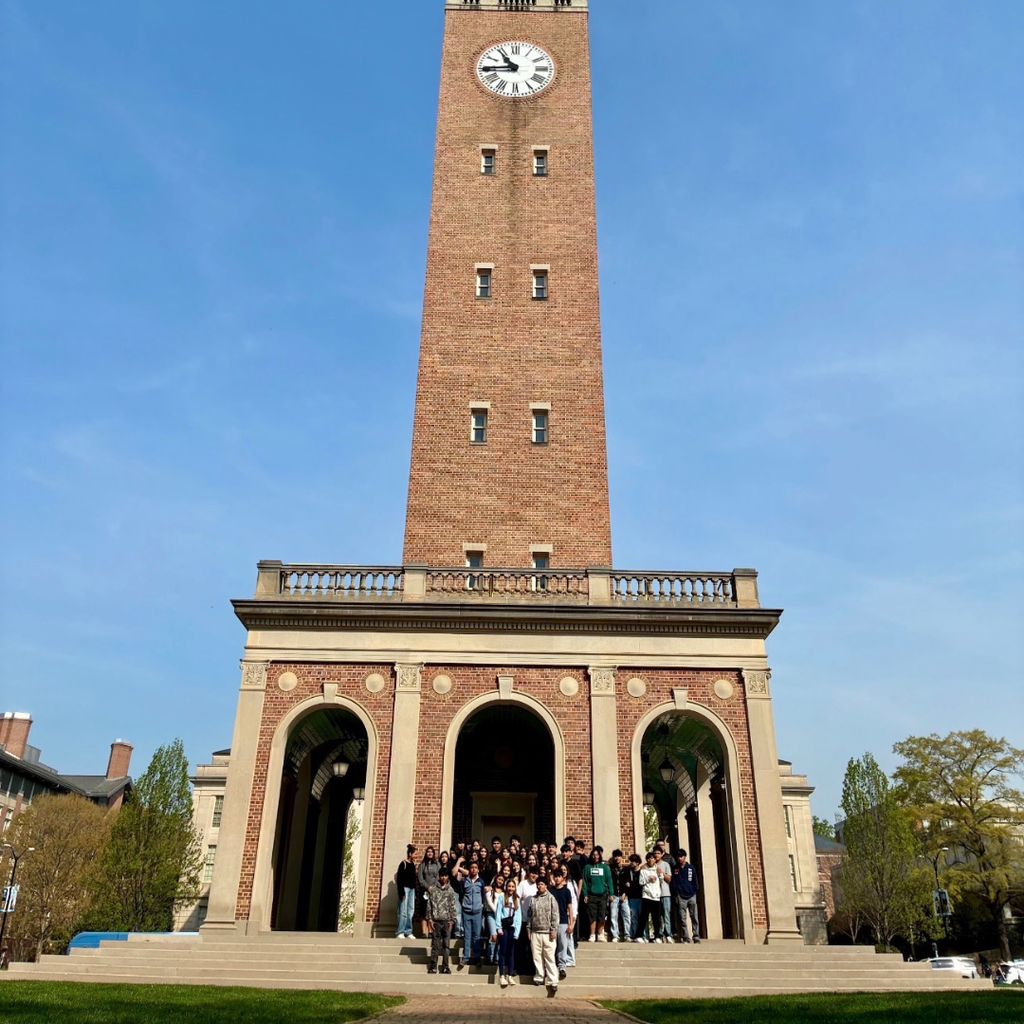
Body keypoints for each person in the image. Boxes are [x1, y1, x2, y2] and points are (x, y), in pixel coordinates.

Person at [527, 877, 560, 993]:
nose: (540, 886)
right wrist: (529, 930)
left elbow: (555, 915)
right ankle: (539, 977)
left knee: (549, 957)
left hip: (548, 932)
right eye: (538, 884)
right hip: (535, 932)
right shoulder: (533, 899)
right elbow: (529, 916)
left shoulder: (551, 898)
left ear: (546, 885)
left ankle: (553, 980)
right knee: (537, 956)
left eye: (542, 884)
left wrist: (553, 930)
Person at [426, 869, 458, 974]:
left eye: (445, 876)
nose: (443, 878)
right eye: (442, 876)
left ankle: (445, 966)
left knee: (446, 945)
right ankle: (433, 966)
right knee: (435, 945)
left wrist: (452, 920)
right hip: (436, 921)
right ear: (439, 876)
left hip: (446, 921)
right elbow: (429, 905)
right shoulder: (434, 890)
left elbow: (453, 906)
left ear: (448, 877)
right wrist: (430, 919)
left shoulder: (450, 890)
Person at [494, 879, 522, 988]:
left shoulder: (516, 900)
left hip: (512, 928)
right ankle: (502, 975)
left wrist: (517, 932)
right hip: (503, 927)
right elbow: (498, 912)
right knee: (503, 951)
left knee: (511, 952)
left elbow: (518, 917)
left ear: (515, 888)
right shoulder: (502, 897)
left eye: (512, 887)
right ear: (506, 887)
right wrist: (498, 927)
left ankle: (510, 975)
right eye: (509, 886)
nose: (510, 889)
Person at [458, 859, 486, 967]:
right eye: (471, 867)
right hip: (466, 911)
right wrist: (465, 905)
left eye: (475, 867)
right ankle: (465, 957)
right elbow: (462, 895)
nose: (473, 869)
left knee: (476, 936)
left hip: (477, 912)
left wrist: (481, 907)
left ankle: (477, 958)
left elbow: (483, 897)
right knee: (467, 935)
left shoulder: (481, 882)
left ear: (478, 869)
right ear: (469, 869)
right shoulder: (464, 881)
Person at [582, 846, 613, 942]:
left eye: (597, 855)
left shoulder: (604, 867)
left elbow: (609, 881)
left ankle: (600, 934)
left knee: (601, 915)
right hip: (591, 895)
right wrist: (585, 894)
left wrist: (611, 893)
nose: (595, 857)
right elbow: (585, 882)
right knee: (592, 915)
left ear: (600, 856)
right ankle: (592, 935)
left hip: (603, 895)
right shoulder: (587, 867)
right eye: (593, 855)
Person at [550, 868, 575, 980]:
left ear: (562, 878)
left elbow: (570, 908)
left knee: (563, 945)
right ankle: (552, 967)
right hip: (552, 922)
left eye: (559, 876)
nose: (557, 878)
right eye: (555, 876)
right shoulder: (550, 891)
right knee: (552, 946)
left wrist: (571, 924)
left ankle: (562, 967)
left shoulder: (566, 891)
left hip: (564, 921)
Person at [671, 849, 701, 943]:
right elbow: (674, 882)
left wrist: (694, 890)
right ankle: (686, 937)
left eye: (681, 856)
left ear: (685, 857)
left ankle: (696, 936)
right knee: (682, 918)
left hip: (691, 895)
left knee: (694, 917)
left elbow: (695, 881)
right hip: (680, 896)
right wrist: (677, 893)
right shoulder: (675, 868)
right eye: (678, 857)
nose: (679, 859)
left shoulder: (690, 868)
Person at [636, 851, 663, 942]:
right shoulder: (643, 870)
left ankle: (657, 936)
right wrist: (649, 878)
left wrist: (660, 875)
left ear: (655, 860)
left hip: (656, 896)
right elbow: (641, 882)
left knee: (656, 918)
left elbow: (662, 881)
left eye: (652, 858)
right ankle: (639, 935)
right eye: (648, 858)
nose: (650, 860)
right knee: (644, 917)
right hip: (647, 896)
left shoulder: (658, 869)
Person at [609, 849, 632, 943]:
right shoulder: (610, 869)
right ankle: (615, 935)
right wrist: (610, 894)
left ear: (621, 857)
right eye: (615, 856)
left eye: (618, 856)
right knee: (613, 916)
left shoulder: (626, 870)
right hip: (614, 895)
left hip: (623, 896)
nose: (617, 858)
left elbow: (628, 883)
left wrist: (625, 893)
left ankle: (627, 935)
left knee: (626, 915)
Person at [395, 843, 418, 939]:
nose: (416, 856)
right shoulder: (403, 864)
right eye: (415, 854)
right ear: (410, 854)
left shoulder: (413, 865)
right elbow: (399, 879)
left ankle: (408, 931)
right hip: (405, 889)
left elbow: (414, 879)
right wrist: (401, 892)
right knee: (403, 910)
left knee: (410, 911)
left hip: (412, 889)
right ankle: (400, 931)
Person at [417, 847, 440, 939]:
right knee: (423, 911)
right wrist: (427, 887)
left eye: (431, 852)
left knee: (433, 911)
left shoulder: (437, 864)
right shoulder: (422, 865)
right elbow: (420, 878)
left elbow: (439, 876)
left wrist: (434, 887)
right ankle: (424, 932)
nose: (430, 853)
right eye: (428, 852)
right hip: (424, 891)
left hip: (435, 890)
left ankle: (431, 931)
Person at [653, 847, 673, 942]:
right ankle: (659, 934)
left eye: (658, 853)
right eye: (655, 853)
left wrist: (662, 873)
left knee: (666, 915)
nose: (656, 855)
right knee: (657, 916)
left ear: (661, 854)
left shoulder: (666, 865)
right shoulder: (651, 865)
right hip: (655, 895)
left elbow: (669, 879)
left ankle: (668, 934)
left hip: (665, 893)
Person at [484, 875, 503, 965]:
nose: (500, 881)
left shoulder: (504, 892)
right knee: (494, 936)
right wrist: (498, 913)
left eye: (502, 880)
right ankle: (490, 957)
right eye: (499, 879)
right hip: (491, 914)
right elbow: (489, 902)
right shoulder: (490, 890)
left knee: (499, 936)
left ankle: (497, 957)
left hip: (501, 916)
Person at [625, 853, 643, 940]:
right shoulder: (629, 872)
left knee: (642, 917)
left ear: (638, 862)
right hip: (632, 897)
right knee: (634, 916)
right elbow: (627, 883)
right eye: (631, 861)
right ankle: (635, 934)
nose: (632, 863)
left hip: (641, 897)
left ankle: (644, 935)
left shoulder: (642, 871)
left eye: (633, 861)